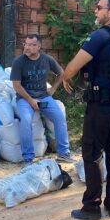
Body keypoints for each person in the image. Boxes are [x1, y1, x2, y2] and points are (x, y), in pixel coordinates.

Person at [63, 0, 110, 220]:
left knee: (92, 155)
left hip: (100, 106)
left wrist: (66, 75)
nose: (96, 11)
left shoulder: (100, 36)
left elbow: (73, 67)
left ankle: (91, 207)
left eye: (99, 7)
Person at [10, 34, 75, 166]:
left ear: (39, 47)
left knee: (59, 117)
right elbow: (16, 85)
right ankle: (28, 158)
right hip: (24, 98)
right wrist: (30, 100)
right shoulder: (19, 62)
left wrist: (53, 90)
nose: (27, 47)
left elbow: (61, 74)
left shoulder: (47, 59)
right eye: (26, 44)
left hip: (44, 97)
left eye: (32, 45)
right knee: (26, 120)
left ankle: (64, 153)